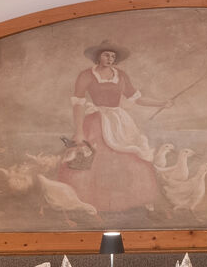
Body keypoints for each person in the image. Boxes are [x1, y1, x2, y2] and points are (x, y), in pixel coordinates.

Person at [60, 43, 165, 214]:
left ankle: (133, 198)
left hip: (119, 121)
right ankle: (89, 201)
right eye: (106, 55)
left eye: (113, 56)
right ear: (98, 56)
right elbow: (78, 104)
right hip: (96, 121)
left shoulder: (121, 75)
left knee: (130, 156)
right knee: (93, 157)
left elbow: (137, 98)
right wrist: (79, 131)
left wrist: (161, 103)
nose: (110, 59)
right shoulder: (86, 75)